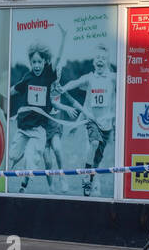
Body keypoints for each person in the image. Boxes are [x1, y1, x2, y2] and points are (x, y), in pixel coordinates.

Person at [60, 43, 117, 197]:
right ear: (93, 62)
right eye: (97, 57)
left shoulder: (112, 79)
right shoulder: (90, 78)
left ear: (107, 62)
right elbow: (75, 83)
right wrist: (62, 88)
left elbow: (127, 83)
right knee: (93, 143)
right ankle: (86, 177)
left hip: (107, 125)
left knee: (97, 159)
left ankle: (89, 179)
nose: (100, 60)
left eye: (103, 58)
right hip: (92, 121)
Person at [9, 41, 63, 193]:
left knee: (30, 157)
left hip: (39, 129)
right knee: (13, 156)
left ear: (45, 61)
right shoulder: (28, 77)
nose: (37, 65)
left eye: (39, 62)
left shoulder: (48, 76)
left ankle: (24, 183)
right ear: (30, 63)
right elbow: (15, 89)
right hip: (24, 126)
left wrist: (63, 39)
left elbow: (58, 59)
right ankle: (2, 175)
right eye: (34, 62)